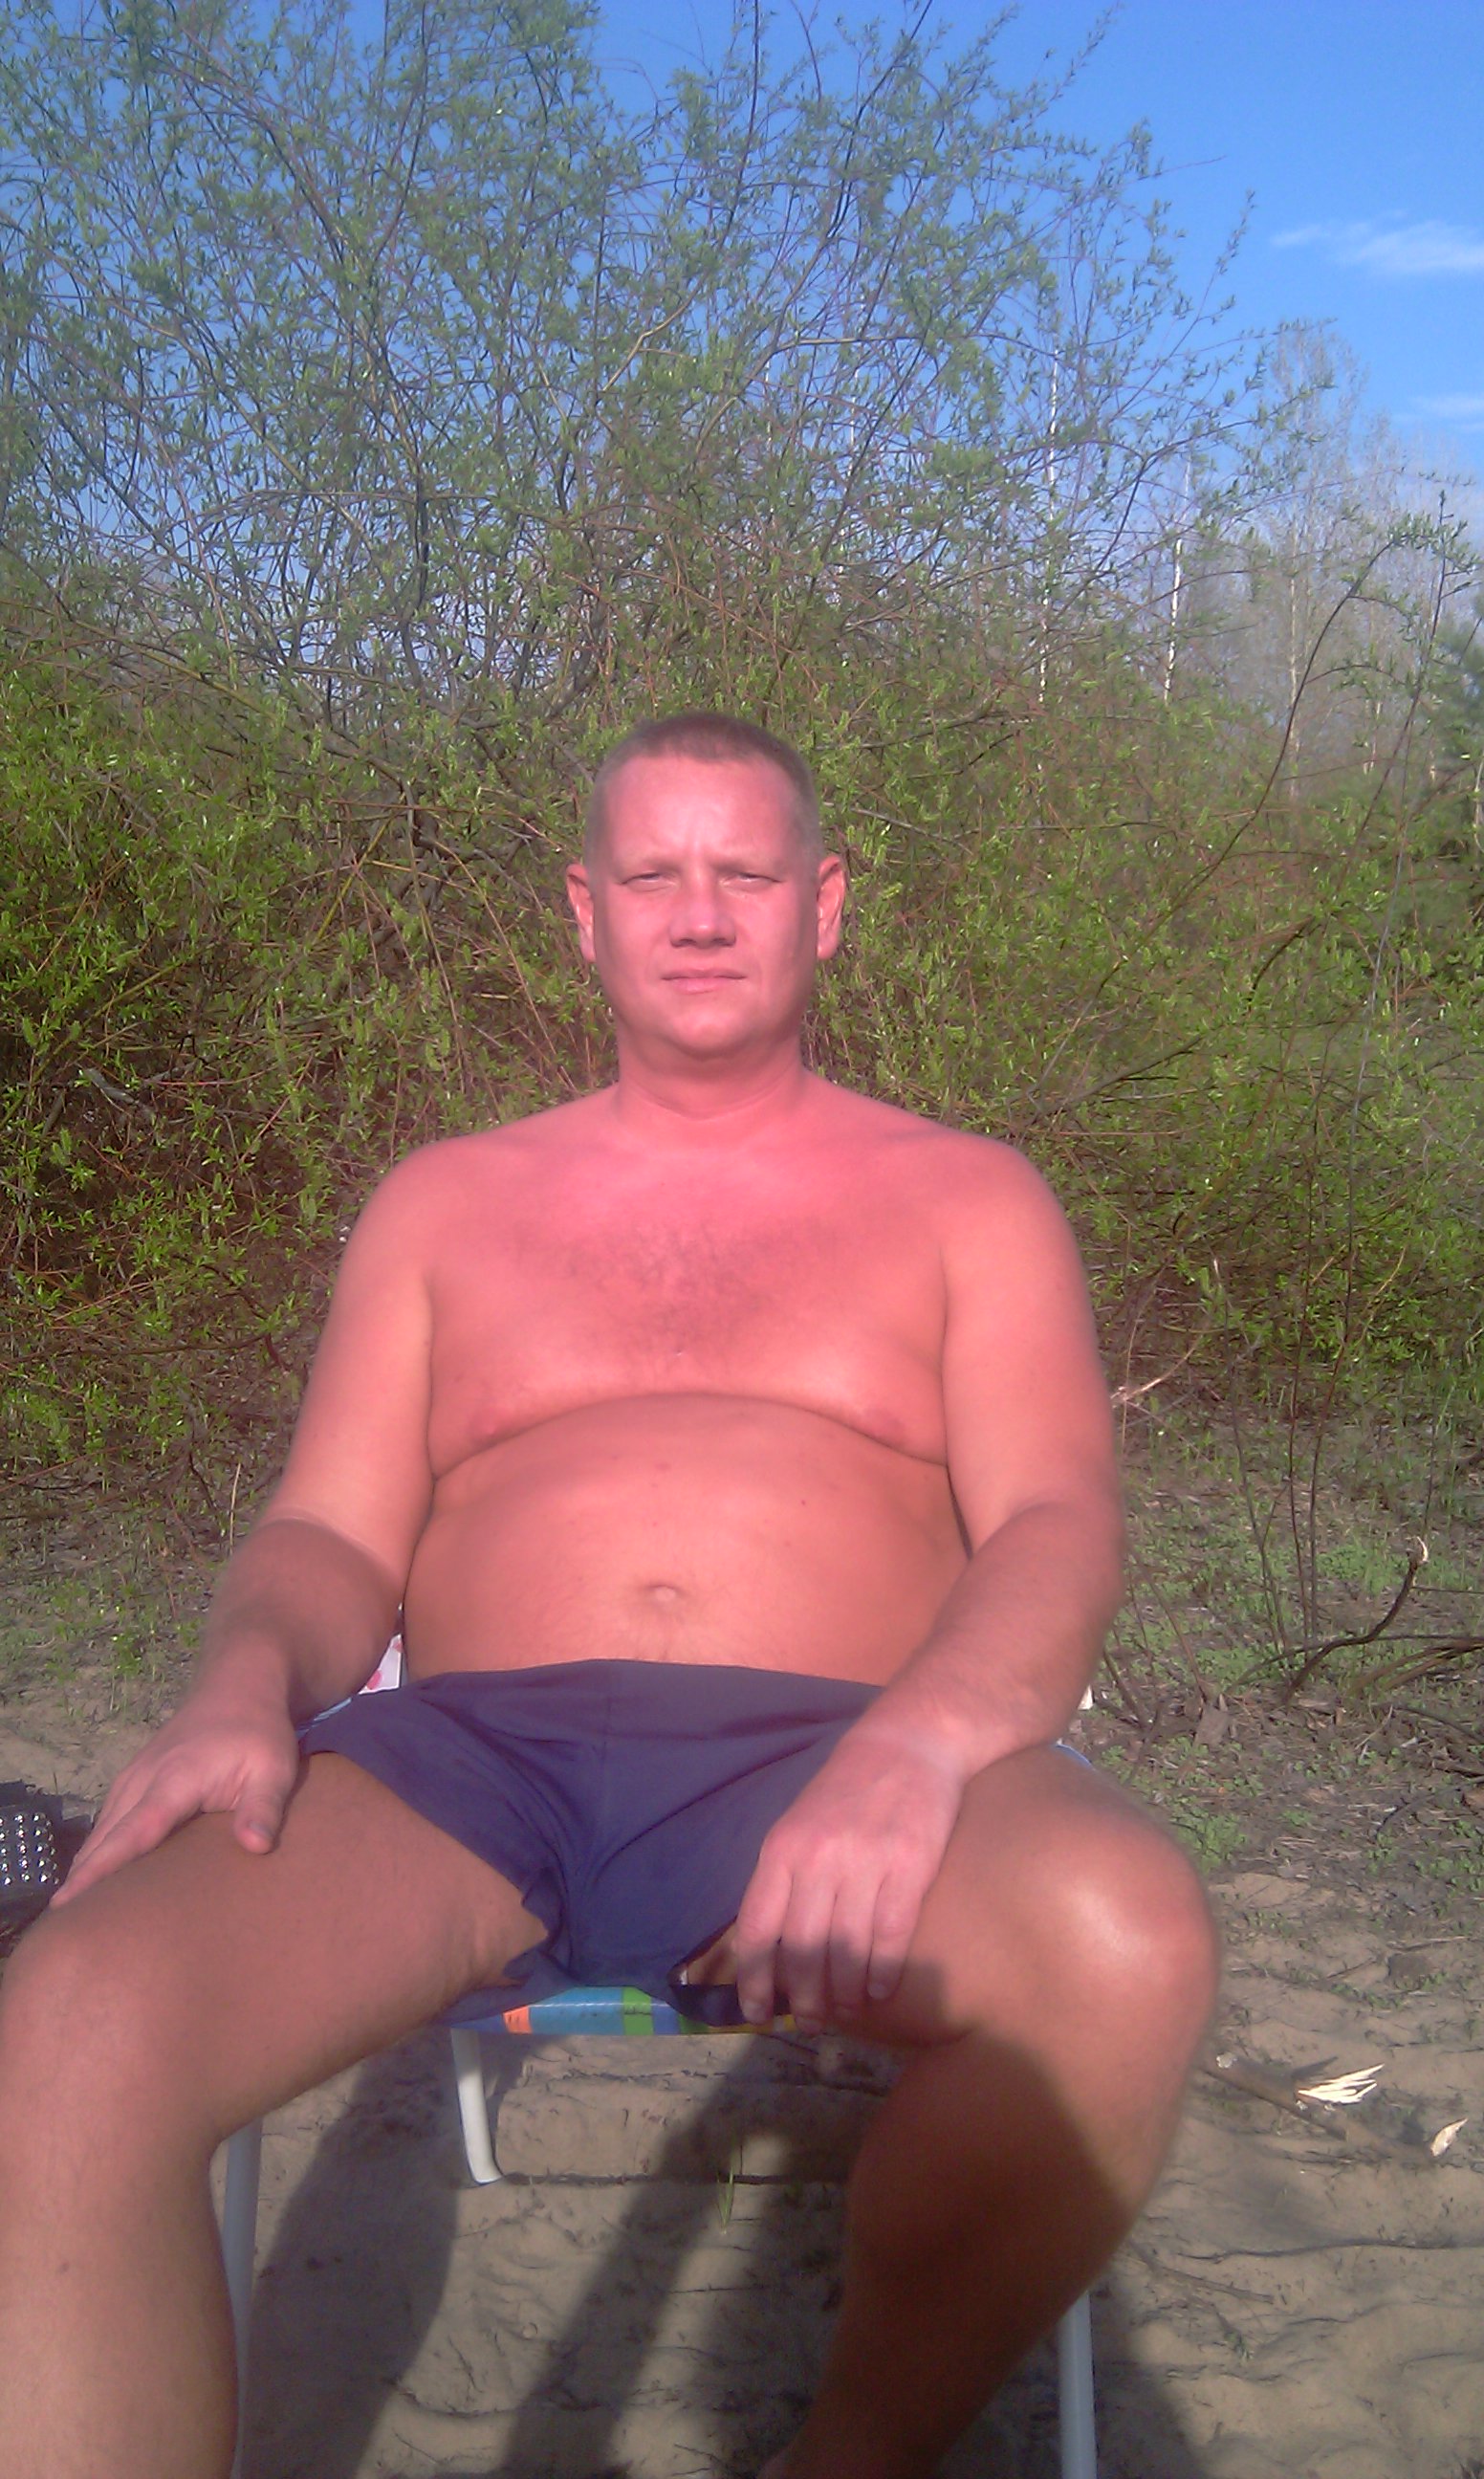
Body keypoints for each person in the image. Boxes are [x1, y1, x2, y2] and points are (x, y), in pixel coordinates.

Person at [0, 713, 1218, 2479]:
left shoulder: (967, 1199)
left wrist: (915, 1752)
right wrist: (241, 1686)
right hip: (469, 1766)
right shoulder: (444, 1203)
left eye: (745, 874)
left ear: (825, 904)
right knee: (77, 2019)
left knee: (1125, 1947)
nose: (699, 914)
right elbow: (329, 1533)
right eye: (653, 874)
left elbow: (1055, 1523)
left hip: (835, 1746)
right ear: (587, 912)